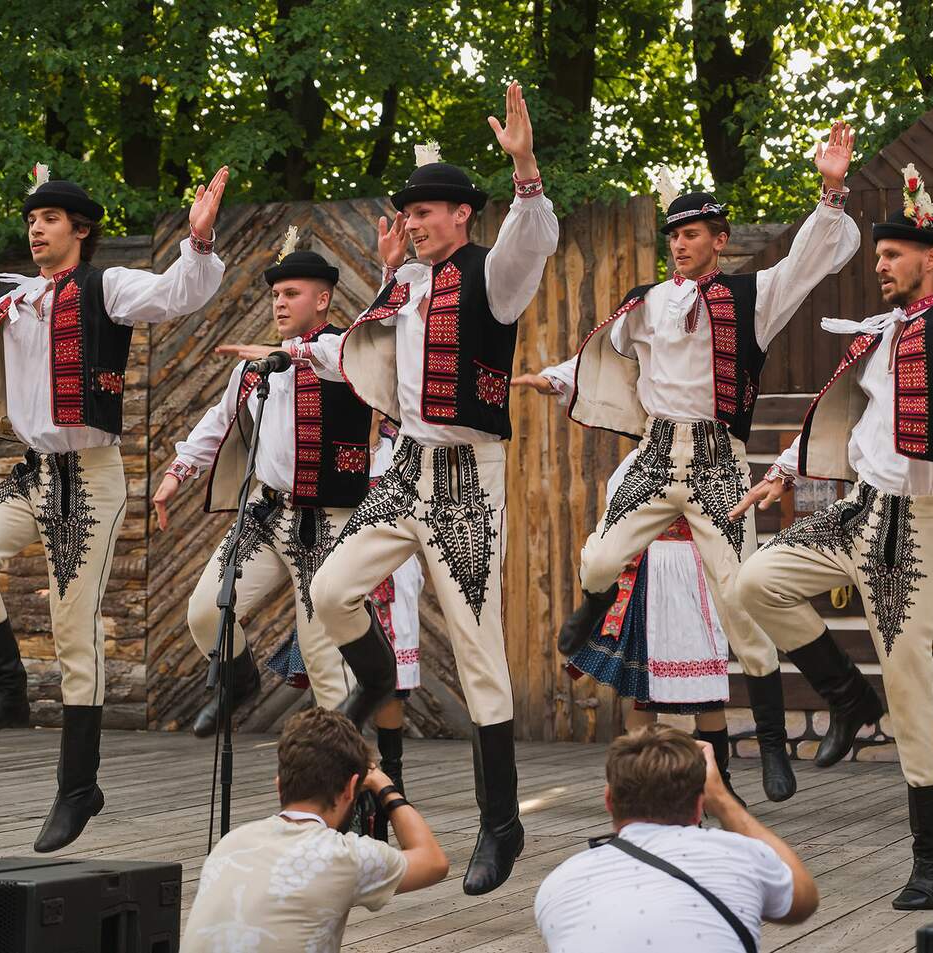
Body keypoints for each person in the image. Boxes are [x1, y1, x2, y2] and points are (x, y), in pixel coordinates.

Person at [732, 137, 933, 910]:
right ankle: (849, 699)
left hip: (923, 522)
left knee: (912, 677)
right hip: (859, 510)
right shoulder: (878, 336)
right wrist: (780, 473)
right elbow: (852, 429)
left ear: (929, 259)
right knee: (754, 581)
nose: (878, 265)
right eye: (876, 255)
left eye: (891, 254)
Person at [0, 164, 228, 851]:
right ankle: (8, 687)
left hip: (91, 478)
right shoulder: (13, 305)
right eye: (31, 219)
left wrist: (198, 242)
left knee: (76, 634)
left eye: (48, 219)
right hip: (35, 473)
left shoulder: (109, 287)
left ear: (81, 228)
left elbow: (174, 295)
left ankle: (78, 786)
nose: (35, 228)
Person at [545, 123, 860, 804]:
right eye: (674, 235)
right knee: (599, 561)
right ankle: (585, 613)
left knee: (742, 602)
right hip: (658, 456)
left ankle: (773, 749)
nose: (679, 244)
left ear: (719, 239)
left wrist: (831, 190)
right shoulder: (649, 302)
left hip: (719, 461)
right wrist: (556, 375)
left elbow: (808, 261)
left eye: (692, 234)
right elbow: (598, 355)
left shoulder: (754, 298)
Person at [298, 81, 559, 896]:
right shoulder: (406, 282)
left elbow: (532, 238)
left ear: (463, 216)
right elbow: (361, 353)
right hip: (405, 466)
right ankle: (377, 680)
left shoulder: (495, 273)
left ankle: (499, 821)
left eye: (428, 210)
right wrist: (300, 350)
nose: (413, 219)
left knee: (479, 651)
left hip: (465, 479)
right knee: (332, 587)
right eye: (409, 211)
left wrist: (525, 171)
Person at [154, 233, 369, 737]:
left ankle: (357, 787)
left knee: (326, 665)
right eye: (275, 295)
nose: (279, 302)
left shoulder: (349, 351)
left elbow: (342, 359)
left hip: (327, 523)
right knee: (207, 613)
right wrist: (175, 474)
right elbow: (218, 420)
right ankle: (240, 680)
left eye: (291, 293)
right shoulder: (257, 368)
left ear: (322, 299)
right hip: (265, 515)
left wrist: (289, 352)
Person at [515, 363, 746, 795]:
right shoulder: (634, 469)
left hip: (690, 577)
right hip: (643, 580)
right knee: (639, 688)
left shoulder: (713, 462)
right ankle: (636, 785)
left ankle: (720, 784)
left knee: (707, 692)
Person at [266, 417, 425, 842]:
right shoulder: (336, 444)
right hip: (338, 561)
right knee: (333, 671)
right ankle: (342, 774)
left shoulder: (400, 445)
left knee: (391, 678)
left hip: (389, 564)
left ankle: (391, 775)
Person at [181, 707, 448, 953]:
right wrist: (384, 786)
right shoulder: (343, 856)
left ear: (279, 785)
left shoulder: (231, 842)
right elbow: (433, 861)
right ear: (350, 788)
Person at [533, 724, 817, 953]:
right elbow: (803, 902)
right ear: (698, 805)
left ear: (609, 800)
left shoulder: (559, 884)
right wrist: (721, 799)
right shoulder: (742, 855)